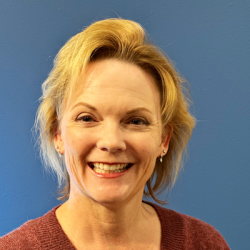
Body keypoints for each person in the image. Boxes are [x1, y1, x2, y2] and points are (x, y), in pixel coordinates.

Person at [0, 18, 230, 249]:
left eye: (136, 121)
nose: (111, 142)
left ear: (164, 139)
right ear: (57, 134)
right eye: (87, 118)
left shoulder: (204, 243)